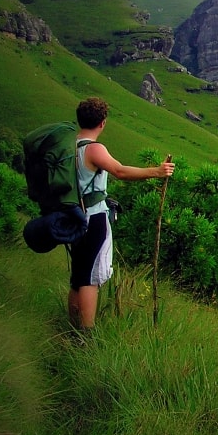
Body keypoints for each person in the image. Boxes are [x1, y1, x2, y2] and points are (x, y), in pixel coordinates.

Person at [69, 97, 174, 331]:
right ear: (102, 123)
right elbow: (119, 171)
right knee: (89, 279)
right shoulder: (94, 149)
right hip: (93, 218)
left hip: (73, 216)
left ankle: (72, 326)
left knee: (78, 275)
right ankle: (85, 333)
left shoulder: (69, 146)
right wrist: (157, 171)